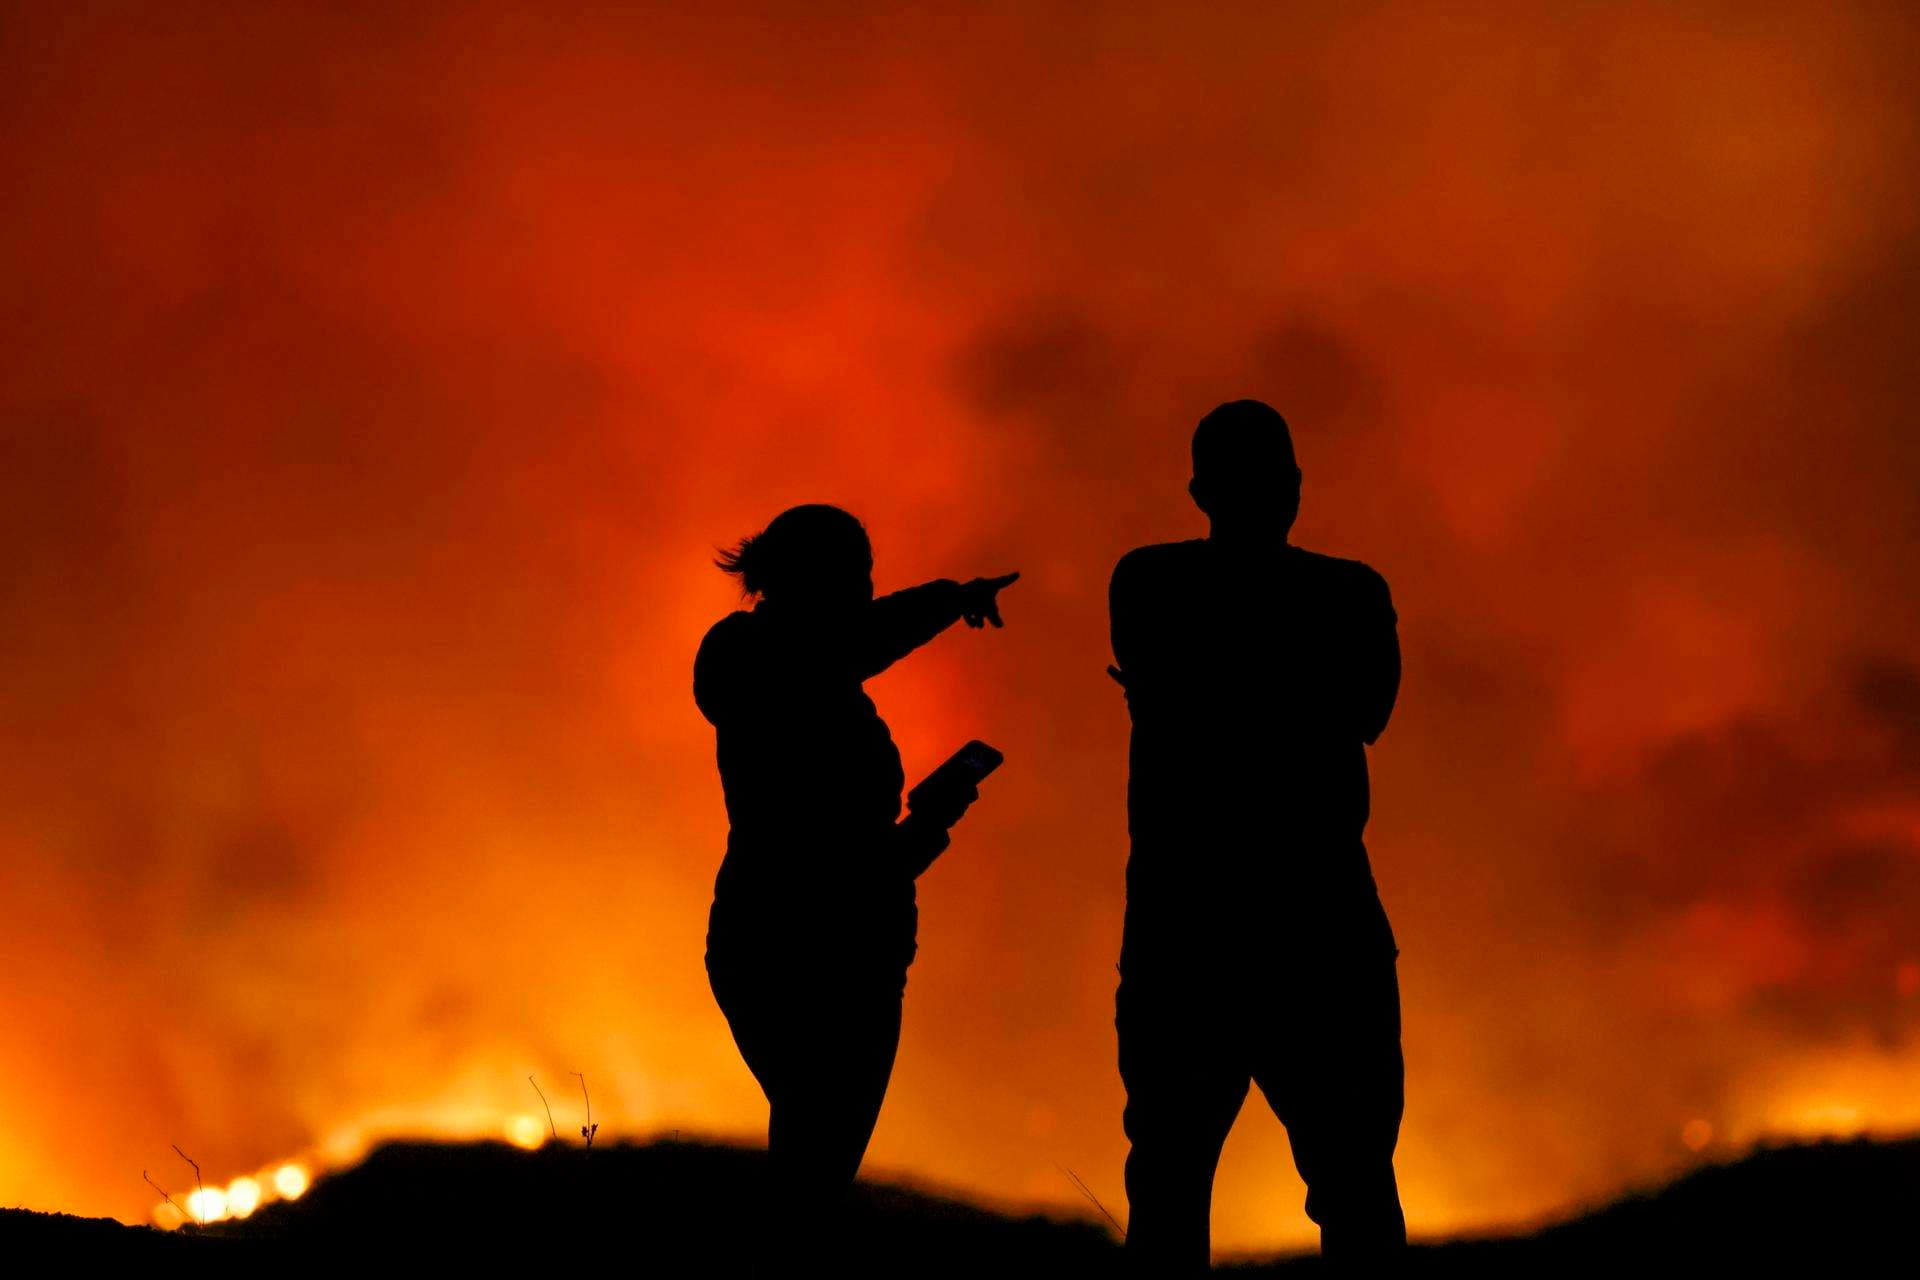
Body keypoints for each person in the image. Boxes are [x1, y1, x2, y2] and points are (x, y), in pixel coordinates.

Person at [1107, 400, 1406, 1272]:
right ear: (1295, 486)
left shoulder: (1153, 584)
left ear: (1199, 491)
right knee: (1353, 1177)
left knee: (1172, 1179)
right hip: (1316, 923)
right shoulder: (1349, 595)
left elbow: (1183, 695)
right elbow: (1362, 708)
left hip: (1189, 926)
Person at [692, 502, 1018, 1268]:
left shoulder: (775, 665)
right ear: (814, 579)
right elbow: (848, 871)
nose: (868, 590)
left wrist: (928, 826)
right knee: (811, 1177)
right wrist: (949, 599)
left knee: (807, 1165)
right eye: (856, 575)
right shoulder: (758, 658)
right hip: (824, 955)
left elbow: (865, 866)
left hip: (799, 944)